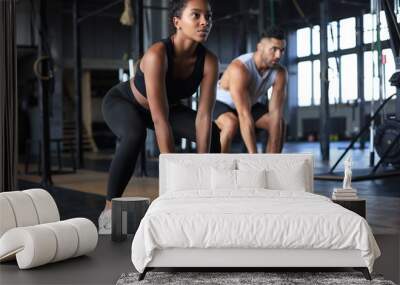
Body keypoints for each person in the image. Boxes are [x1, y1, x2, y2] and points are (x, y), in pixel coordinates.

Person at [98, 0, 219, 234]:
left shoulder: (209, 61)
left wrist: (203, 169)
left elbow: (203, 116)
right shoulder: (157, 54)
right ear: (177, 22)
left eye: (209, 16)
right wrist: (174, 181)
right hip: (125, 103)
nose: (205, 22)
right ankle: (109, 209)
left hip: (167, 108)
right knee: (135, 135)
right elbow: (160, 119)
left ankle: (209, 197)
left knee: (213, 131)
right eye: (196, 15)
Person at [213, 27, 287, 153]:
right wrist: (254, 157)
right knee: (231, 124)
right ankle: (220, 166)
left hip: (248, 104)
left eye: (282, 50)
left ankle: (272, 165)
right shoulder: (240, 68)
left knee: (279, 123)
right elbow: (244, 114)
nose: (278, 55)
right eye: (274, 49)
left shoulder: (280, 73)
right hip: (221, 104)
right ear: (260, 47)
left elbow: (275, 115)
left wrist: (274, 159)